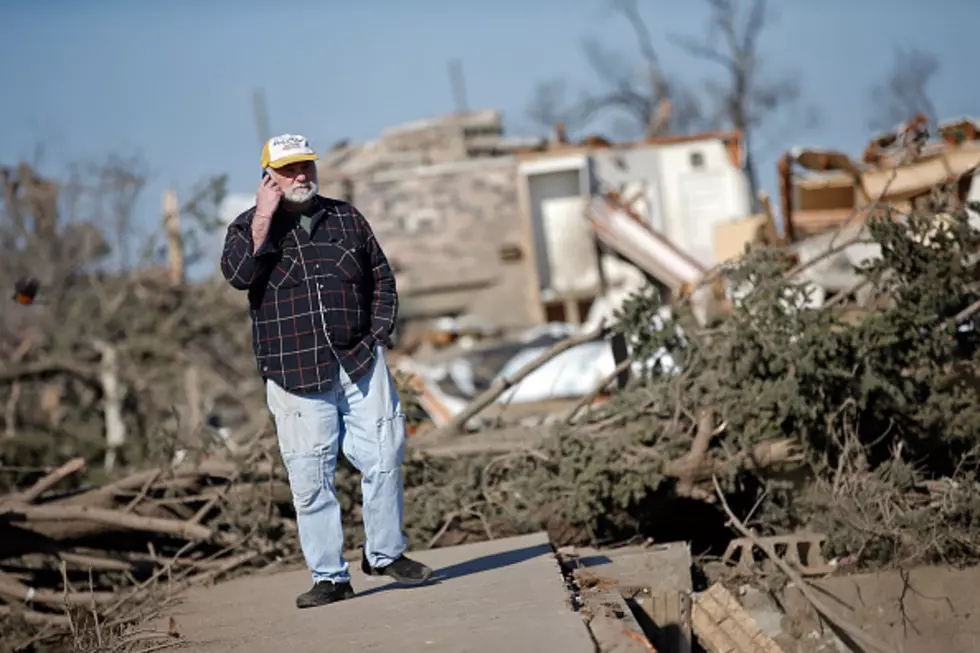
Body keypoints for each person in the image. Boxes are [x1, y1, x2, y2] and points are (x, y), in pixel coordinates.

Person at [220, 133, 432, 609]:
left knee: (385, 452)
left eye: (306, 167)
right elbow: (237, 275)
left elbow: (381, 276)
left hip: (357, 359)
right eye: (289, 169)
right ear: (268, 178)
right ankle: (330, 577)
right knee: (310, 476)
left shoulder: (346, 218)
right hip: (294, 373)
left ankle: (384, 553)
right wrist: (261, 218)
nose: (301, 176)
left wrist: (378, 333)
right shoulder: (247, 228)